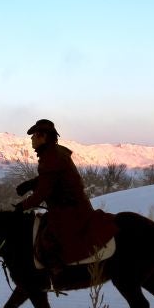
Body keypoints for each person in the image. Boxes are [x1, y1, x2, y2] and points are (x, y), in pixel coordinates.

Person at [15, 119, 117, 278]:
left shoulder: (51, 157)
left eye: (35, 135)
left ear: (44, 136)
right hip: (69, 206)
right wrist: (30, 184)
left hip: (70, 209)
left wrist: (22, 206)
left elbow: (43, 192)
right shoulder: (53, 153)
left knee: (49, 238)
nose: (31, 138)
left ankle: (59, 273)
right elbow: (49, 179)